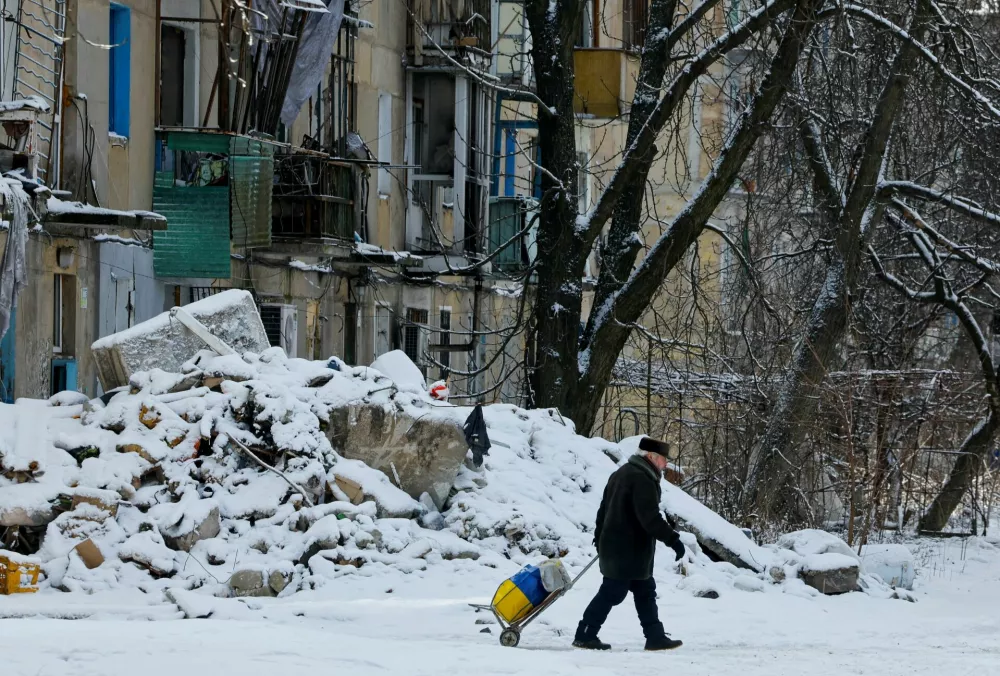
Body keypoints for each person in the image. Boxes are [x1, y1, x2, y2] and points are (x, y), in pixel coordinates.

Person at [573, 437, 686, 652]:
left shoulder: (623, 473)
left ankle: (655, 637)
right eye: (663, 459)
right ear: (651, 457)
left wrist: (600, 537)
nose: (665, 464)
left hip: (624, 549)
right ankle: (585, 634)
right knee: (612, 592)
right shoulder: (641, 479)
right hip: (625, 550)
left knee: (645, 590)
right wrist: (673, 540)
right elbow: (650, 518)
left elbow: (603, 510)